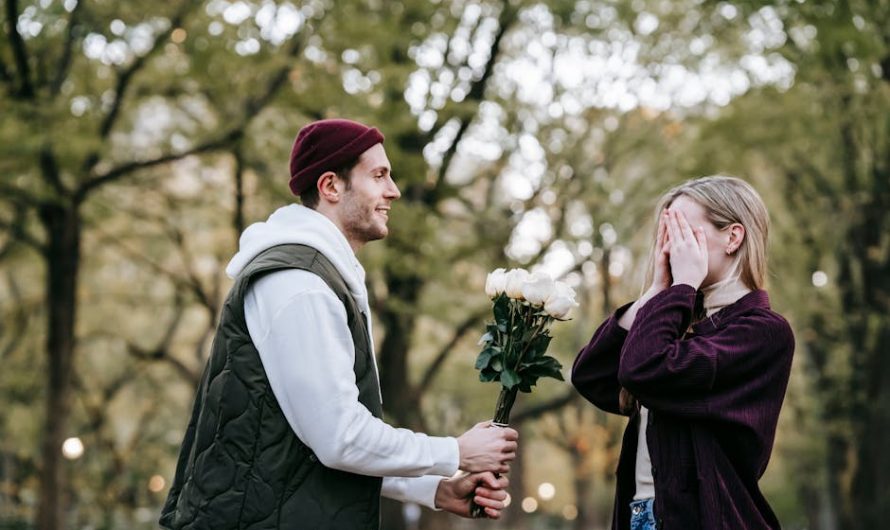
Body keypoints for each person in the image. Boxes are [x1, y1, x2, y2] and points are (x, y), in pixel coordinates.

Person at [160, 119, 518, 529]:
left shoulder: (320, 277)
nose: (394, 191)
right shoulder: (300, 284)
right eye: (379, 175)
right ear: (331, 186)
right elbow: (339, 438)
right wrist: (455, 452)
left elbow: (308, 445)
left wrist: (432, 489)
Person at [571, 176, 794, 530]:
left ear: (733, 237)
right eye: (666, 235)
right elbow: (591, 376)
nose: (671, 248)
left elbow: (645, 369)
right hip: (639, 516)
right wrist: (657, 292)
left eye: (684, 233)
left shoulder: (762, 332)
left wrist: (682, 287)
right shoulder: (677, 321)